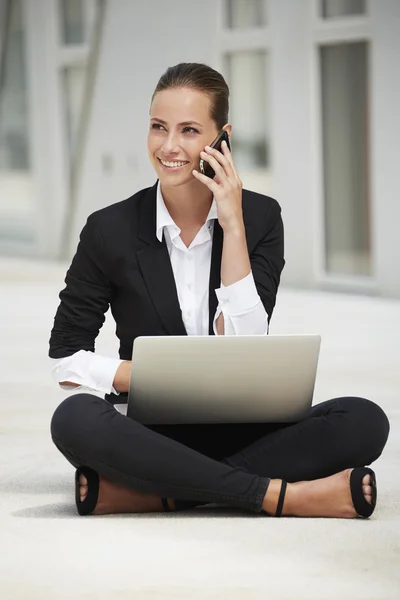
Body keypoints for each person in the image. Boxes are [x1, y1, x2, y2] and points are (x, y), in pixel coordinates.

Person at [49, 62, 389, 519]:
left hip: (248, 427)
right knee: (74, 419)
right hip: (153, 431)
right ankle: (277, 496)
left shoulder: (261, 217)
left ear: (221, 137)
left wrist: (232, 225)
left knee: (364, 420)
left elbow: (247, 342)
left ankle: (157, 493)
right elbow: (66, 358)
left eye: (189, 130)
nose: (169, 147)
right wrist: (155, 378)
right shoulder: (108, 229)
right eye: (158, 127)